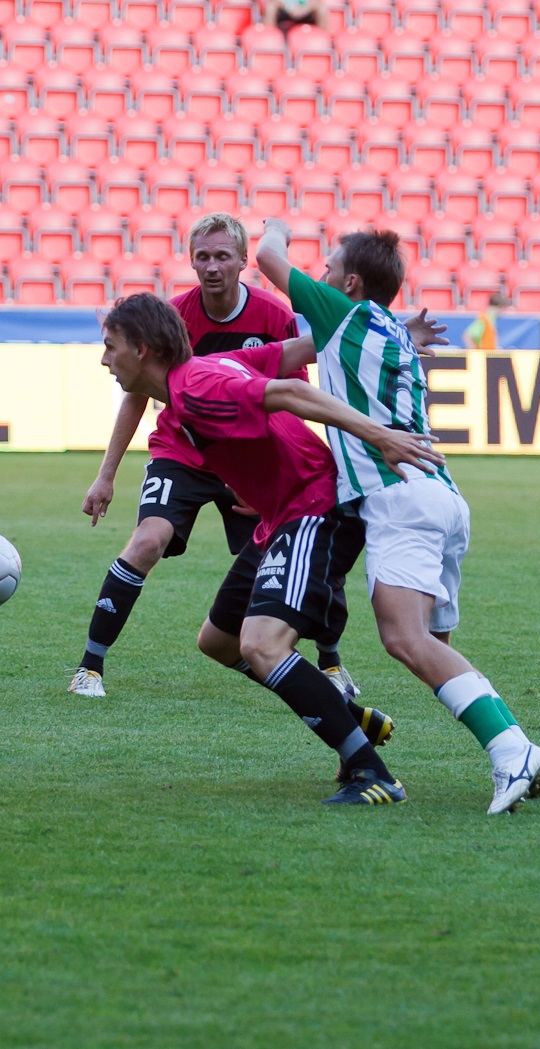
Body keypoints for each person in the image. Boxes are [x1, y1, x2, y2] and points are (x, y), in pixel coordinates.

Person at [99, 293, 446, 805]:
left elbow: (289, 391)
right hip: (281, 516)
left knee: (262, 645)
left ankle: (373, 774)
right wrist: (396, 339)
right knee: (218, 641)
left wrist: (380, 437)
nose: (104, 359)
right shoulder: (207, 369)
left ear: (143, 349)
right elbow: (299, 350)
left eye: (110, 347)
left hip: (314, 508)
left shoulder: (196, 388)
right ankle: (348, 718)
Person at [256, 221, 540, 815]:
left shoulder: (346, 316)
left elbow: (266, 256)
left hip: (401, 502)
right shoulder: (390, 330)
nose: (321, 277)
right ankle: (493, 747)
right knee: (433, 645)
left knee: (406, 639)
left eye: (329, 268)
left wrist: (276, 226)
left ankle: (512, 748)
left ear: (352, 282)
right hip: (442, 498)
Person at [70, 213, 357, 700]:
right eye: (202, 256)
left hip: (245, 454)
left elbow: (291, 397)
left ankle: (328, 662)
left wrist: (276, 476)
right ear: (191, 261)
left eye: (222, 256)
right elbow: (138, 394)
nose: (211, 267)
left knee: (294, 541)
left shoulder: (272, 315)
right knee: (145, 542)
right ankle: (89, 667)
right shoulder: (171, 317)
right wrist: (106, 475)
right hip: (182, 450)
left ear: (244, 261)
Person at [263, 0, 328, 34]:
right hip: (284, 9)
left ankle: (322, 41)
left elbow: (317, 1)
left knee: (322, 9)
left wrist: (303, 9)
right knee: (270, 7)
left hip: (306, 9)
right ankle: (269, 38)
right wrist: (289, 7)